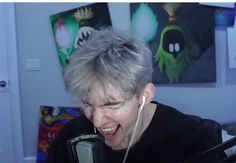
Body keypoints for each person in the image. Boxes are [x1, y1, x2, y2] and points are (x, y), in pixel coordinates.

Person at [47, 28, 224, 163]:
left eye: (111, 104)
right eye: (87, 104)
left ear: (144, 95)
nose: (97, 121)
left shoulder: (192, 139)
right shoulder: (72, 136)